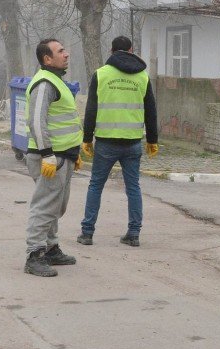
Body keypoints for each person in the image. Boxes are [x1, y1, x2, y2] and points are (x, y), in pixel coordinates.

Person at [77, 36, 158, 248]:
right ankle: (133, 234)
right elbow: (151, 109)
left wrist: (87, 138)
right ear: (131, 50)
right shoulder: (143, 76)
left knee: (96, 185)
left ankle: (87, 233)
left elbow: (91, 108)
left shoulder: (101, 74)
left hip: (106, 142)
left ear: (112, 51)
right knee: (133, 187)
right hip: (132, 143)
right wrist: (152, 139)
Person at [23, 39, 83, 277]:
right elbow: (36, 121)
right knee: (45, 206)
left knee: (56, 205)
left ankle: (50, 248)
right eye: (60, 51)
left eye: (65, 49)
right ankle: (34, 255)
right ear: (47, 59)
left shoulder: (56, 81)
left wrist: (73, 153)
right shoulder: (45, 83)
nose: (66, 54)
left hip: (62, 155)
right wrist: (47, 154)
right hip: (49, 157)